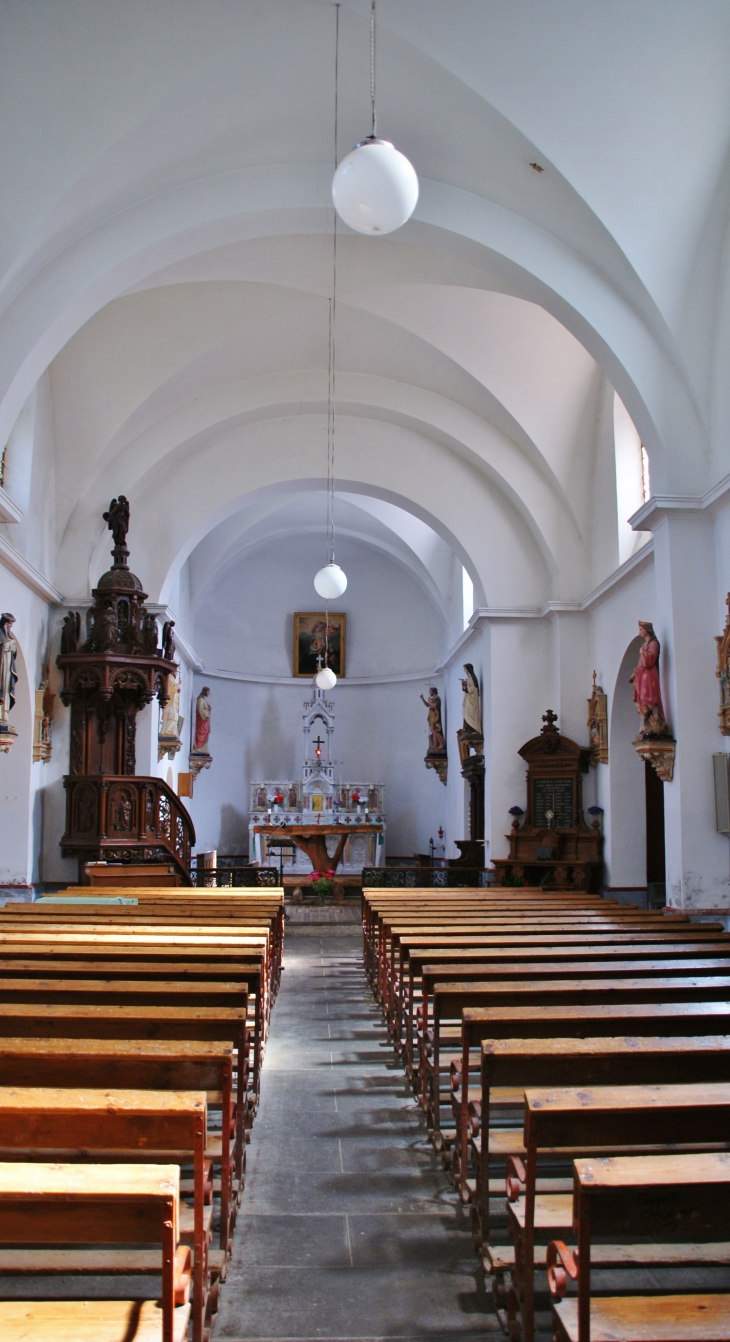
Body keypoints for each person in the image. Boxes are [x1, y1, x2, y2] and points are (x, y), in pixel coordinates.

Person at [629, 621, 669, 735]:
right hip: (642, 677)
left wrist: (642, 652)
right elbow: (640, 664)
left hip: (650, 676)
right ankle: (644, 726)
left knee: (649, 698)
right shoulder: (644, 645)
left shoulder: (654, 644)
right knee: (642, 699)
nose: (639, 631)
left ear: (647, 629)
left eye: (641, 629)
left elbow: (648, 662)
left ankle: (654, 724)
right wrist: (635, 674)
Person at [0, 613, 18, 722]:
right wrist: (7, 645)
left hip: (7, 666)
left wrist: (12, 646)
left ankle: (4, 712)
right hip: (1, 666)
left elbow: (14, 653)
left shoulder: (9, 637)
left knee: (6, 688)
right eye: (9, 624)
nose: (11, 626)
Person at [420, 686, 446, 753]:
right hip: (431, 715)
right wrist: (422, 698)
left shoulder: (437, 698)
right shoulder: (433, 698)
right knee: (432, 730)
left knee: (433, 729)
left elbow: (434, 706)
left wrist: (430, 701)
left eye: (430, 691)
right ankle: (435, 745)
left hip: (435, 715)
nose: (430, 692)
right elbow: (427, 705)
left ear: (433, 691)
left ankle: (441, 743)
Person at [461, 663, 482, 737]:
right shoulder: (469, 678)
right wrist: (463, 686)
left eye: (465, 669)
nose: (464, 670)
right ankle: (468, 730)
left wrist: (465, 686)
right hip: (468, 699)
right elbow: (467, 689)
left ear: (469, 669)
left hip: (472, 700)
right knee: (466, 714)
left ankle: (473, 730)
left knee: (470, 714)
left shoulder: (472, 678)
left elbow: (473, 689)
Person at [192, 686, 211, 752]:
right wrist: (207, 714)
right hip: (202, 720)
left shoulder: (203, 700)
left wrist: (208, 709)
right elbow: (200, 710)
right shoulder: (200, 699)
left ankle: (202, 749)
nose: (208, 693)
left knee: (205, 733)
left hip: (204, 721)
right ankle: (198, 748)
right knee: (201, 733)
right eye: (208, 692)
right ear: (205, 691)